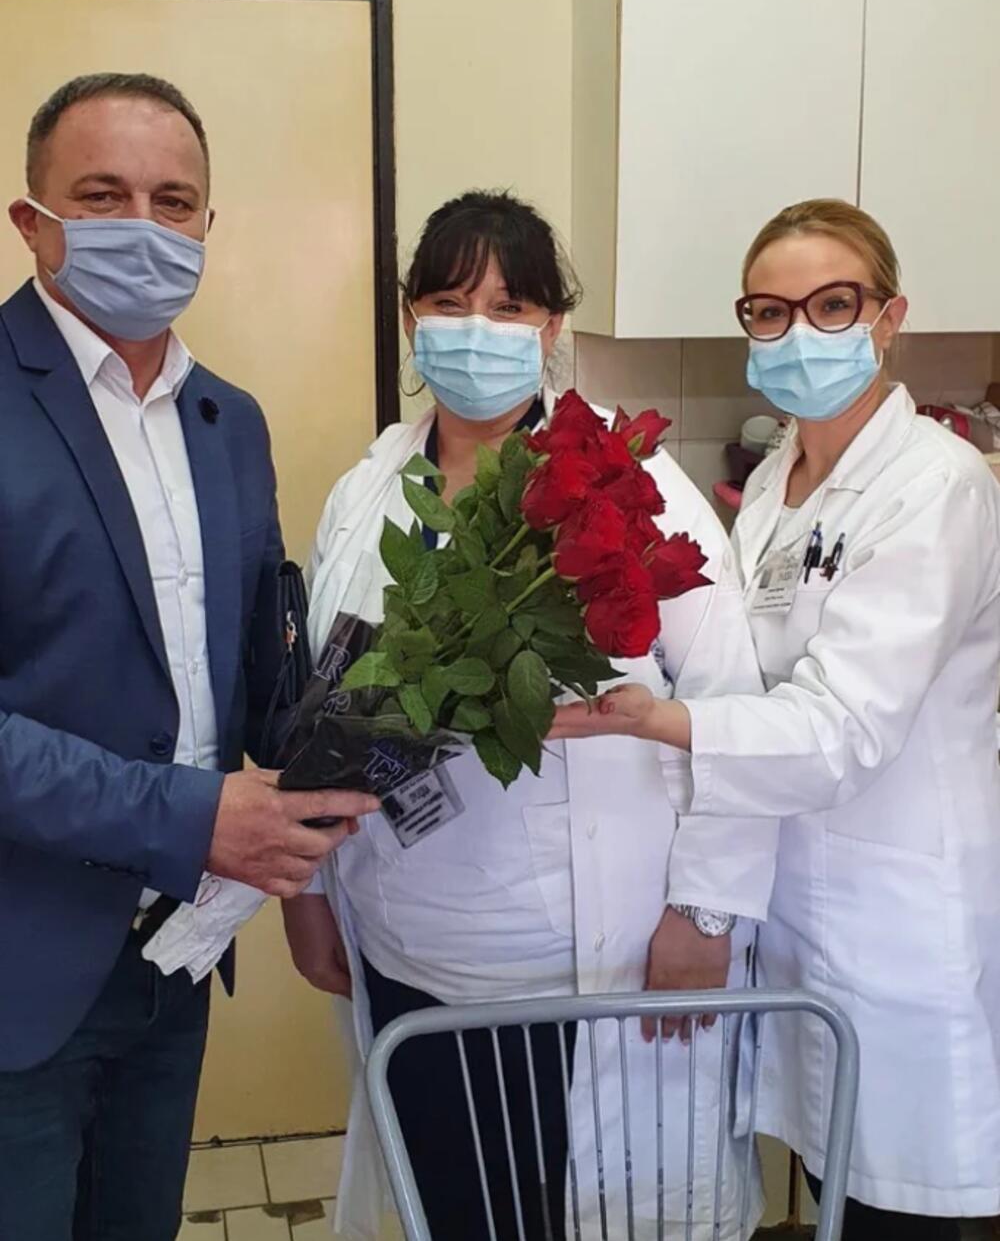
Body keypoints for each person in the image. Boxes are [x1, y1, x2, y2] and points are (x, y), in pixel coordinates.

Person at [283, 189, 780, 1240]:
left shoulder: (630, 485)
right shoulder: (370, 490)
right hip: (408, 955)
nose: (478, 329)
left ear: (552, 326)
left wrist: (705, 913)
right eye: (449, 302)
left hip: (576, 967)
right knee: (455, 1210)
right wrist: (310, 891)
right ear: (411, 318)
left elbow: (732, 708)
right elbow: (323, 705)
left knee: (576, 1211)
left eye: (509, 306)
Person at [552, 199, 1000, 1240]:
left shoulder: (935, 486)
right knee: (824, 1183)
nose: (798, 333)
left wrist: (660, 721)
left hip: (895, 920)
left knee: (891, 1209)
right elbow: (741, 665)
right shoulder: (771, 483)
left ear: (888, 319)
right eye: (769, 311)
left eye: (831, 305)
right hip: (792, 908)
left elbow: (842, 727)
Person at [0, 72, 378, 1241]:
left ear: (207, 225)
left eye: (173, 203)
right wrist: (187, 816)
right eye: (102, 196)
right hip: (20, 964)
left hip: (175, 958)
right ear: (32, 221)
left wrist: (385, 717)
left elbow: (255, 676)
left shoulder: (229, 421)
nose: (144, 227)